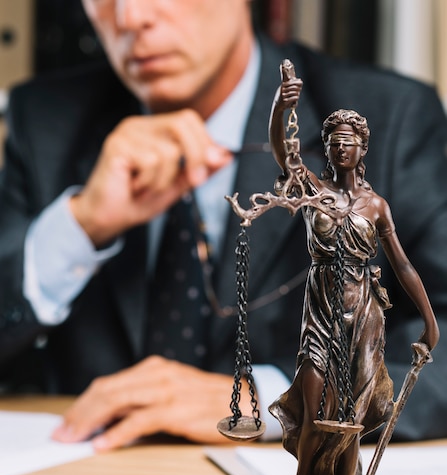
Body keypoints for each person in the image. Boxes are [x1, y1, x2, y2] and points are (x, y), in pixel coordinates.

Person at [0, 0, 446, 452]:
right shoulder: (42, 119)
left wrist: (275, 399)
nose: (131, 18)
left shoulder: (387, 118)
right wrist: (81, 225)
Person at [252, 73, 439, 475]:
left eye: (348, 143)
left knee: (351, 422)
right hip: (320, 315)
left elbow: (403, 266)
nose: (339, 150)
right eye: (333, 142)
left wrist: (430, 322)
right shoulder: (315, 190)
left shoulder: (376, 206)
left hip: (362, 321)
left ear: (362, 149)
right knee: (314, 412)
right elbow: (283, 152)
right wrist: (280, 106)